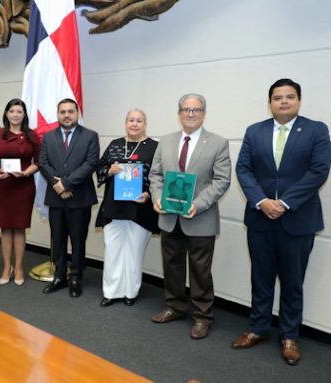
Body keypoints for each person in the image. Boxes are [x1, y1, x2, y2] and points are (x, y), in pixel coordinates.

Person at [232, 79, 331, 365]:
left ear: (298, 100)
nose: (283, 101)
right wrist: (262, 201)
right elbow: (244, 168)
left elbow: (318, 171)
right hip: (260, 218)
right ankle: (257, 328)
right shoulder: (255, 131)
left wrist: (285, 203)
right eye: (278, 97)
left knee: (292, 282)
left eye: (289, 97)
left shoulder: (316, 130)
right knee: (260, 279)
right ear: (270, 102)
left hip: (298, 220)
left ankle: (290, 336)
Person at [149, 93, 231, 339]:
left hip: (200, 217)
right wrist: (157, 197)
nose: (191, 113)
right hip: (169, 217)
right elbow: (156, 175)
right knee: (172, 266)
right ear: (179, 113)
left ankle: (202, 317)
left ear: (203, 114)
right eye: (186, 109)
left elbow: (221, 180)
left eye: (196, 109)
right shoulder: (165, 141)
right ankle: (174, 306)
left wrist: (198, 204)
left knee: (200, 271)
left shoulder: (218, 142)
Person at [95, 109, 159, 307]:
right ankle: (111, 292)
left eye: (139, 121)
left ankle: (130, 292)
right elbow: (99, 167)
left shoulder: (155, 147)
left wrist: (149, 194)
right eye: (131, 120)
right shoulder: (115, 144)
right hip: (114, 207)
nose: (134, 124)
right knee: (113, 250)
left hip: (141, 208)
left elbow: (159, 175)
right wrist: (109, 170)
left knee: (134, 252)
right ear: (125, 123)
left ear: (145, 124)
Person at [39, 98, 100, 298]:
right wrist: (58, 185)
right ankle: (59, 276)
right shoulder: (48, 137)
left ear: (77, 113)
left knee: (78, 240)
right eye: (63, 112)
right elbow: (43, 163)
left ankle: (75, 277)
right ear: (58, 115)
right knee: (57, 239)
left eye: (70, 111)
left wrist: (65, 183)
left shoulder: (90, 136)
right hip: (56, 197)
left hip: (79, 197)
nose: (66, 115)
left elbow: (90, 163)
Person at [0, 98, 40, 286]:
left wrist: (27, 172)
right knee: (5, 227)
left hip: (23, 186)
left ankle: (18, 267)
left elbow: (40, 162)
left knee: (19, 227)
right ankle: (6, 266)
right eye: (12, 111)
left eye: (19, 111)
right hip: (2, 185)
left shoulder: (31, 135)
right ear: (6, 114)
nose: (15, 115)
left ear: (24, 114)